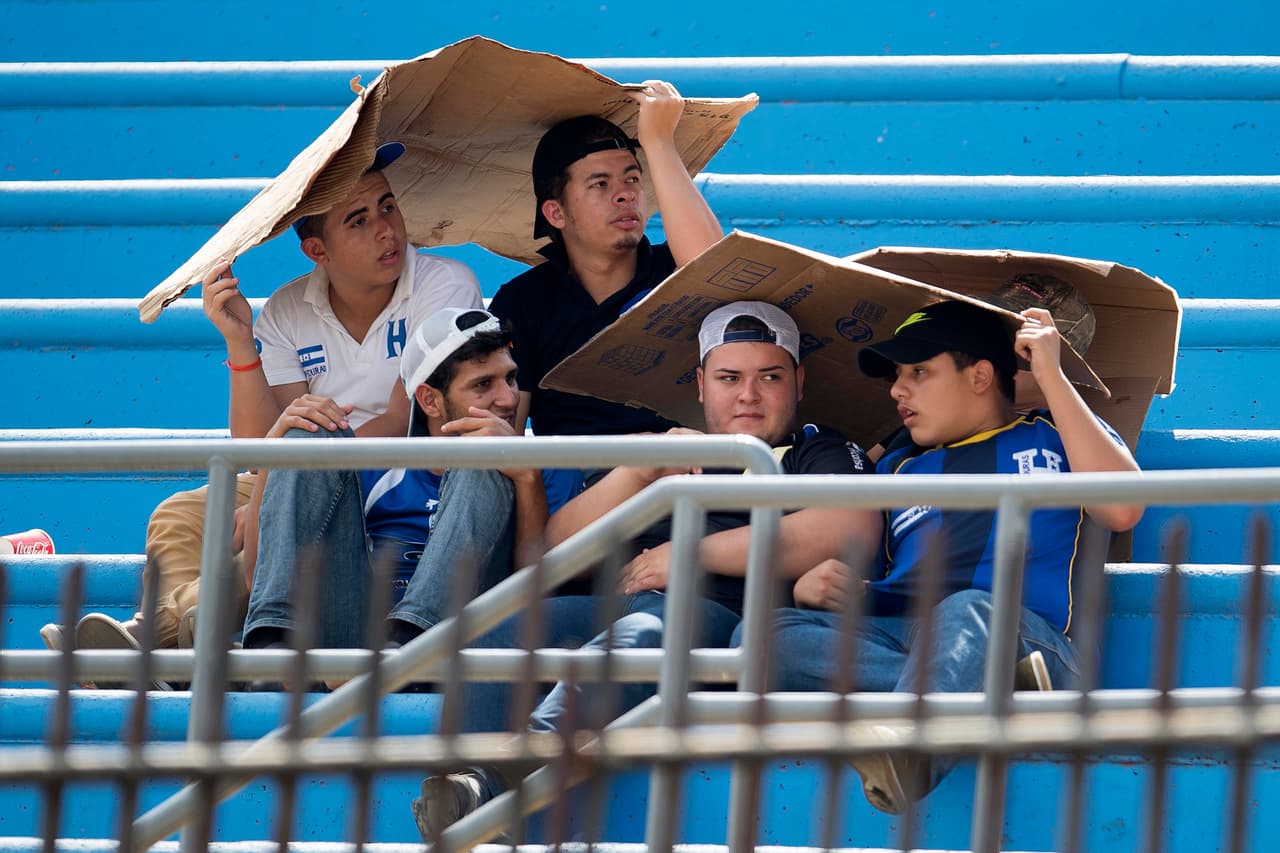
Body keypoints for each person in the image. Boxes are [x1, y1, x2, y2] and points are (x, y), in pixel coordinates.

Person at [410, 301, 878, 837]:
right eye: (729, 378)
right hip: (612, 600)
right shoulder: (665, 445)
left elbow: (851, 528)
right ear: (701, 384)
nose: (748, 395)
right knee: (496, 631)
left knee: (639, 636)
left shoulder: (817, 447)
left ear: (797, 380)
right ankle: (457, 788)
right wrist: (639, 470)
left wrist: (686, 556)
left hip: (715, 614)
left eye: (768, 377)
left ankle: (507, 773)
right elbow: (550, 554)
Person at [44, 142, 482, 658]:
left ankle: (149, 638)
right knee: (179, 514)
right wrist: (238, 342)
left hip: (401, 477)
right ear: (317, 251)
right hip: (305, 465)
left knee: (274, 525)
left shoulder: (443, 284)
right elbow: (257, 444)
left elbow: (399, 418)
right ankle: (170, 641)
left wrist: (280, 486)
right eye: (358, 221)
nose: (386, 229)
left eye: (387, 205)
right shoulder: (286, 310)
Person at [770, 299, 1143, 815]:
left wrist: (1051, 375)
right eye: (897, 376)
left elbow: (1123, 508)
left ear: (981, 376)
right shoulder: (895, 469)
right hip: (921, 636)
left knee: (968, 608)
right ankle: (990, 688)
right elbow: (876, 578)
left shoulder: (1054, 434)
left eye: (920, 372)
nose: (898, 390)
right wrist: (817, 589)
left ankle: (911, 746)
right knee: (766, 636)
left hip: (1031, 642)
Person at [241, 307, 577, 653]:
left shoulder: (546, 468)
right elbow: (254, 576)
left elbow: (540, 593)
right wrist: (275, 455)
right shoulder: (378, 468)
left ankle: (412, 644)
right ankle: (273, 650)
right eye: (483, 385)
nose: (508, 399)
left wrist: (526, 478)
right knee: (306, 435)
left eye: (510, 378)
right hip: (360, 641)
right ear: (429, 400)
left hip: (465, 643)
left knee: (481, 454)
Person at [488, 81, 724, 438]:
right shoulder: (522, 304)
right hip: (575, 487)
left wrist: (659, 143)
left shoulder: (676, 270)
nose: (625, 194)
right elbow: (506, 440)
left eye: (632, 178)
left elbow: (718, 277)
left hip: (684, 479)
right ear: (556, 213)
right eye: (600, 184)